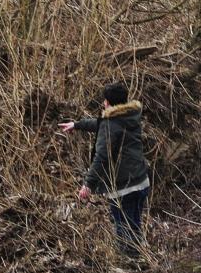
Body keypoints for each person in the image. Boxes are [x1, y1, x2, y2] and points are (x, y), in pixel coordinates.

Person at [59, 82, 150, 258]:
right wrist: (77, 125)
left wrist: (88, 185)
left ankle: (131, 265)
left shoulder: (111, 124)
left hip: (124, 187)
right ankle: (143, 259)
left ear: (108, 103)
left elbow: (102, 157)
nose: (103, 103)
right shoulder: (130, 115)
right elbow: (101, 124)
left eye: (105, 100)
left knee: (124, 230)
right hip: (141, 181)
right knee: (134, 225)